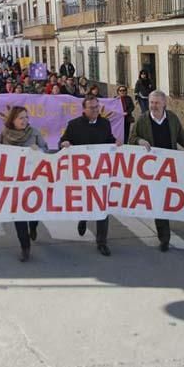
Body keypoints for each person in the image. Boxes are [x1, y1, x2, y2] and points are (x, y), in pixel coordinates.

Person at [129, 90, 184, 251]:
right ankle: (164, 238)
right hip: (151, 169)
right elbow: (131, 138)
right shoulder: (143, 119)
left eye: (157, 103)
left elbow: (181, 136)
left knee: (167, 200)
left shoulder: (172, 118)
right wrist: (140, 141)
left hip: (169, 168)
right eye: (151, 103)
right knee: (159, 201)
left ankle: (165, 228)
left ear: (164, 103)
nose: (153, 106)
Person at [59, 95, 122, 256]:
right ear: (84, 109)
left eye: (97, 107)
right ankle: (83, 219)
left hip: (101, 172)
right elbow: (63, 141)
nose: (95, 110)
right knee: (86, 202)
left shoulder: (105, 123)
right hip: (82, 173)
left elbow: (110, 140)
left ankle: (102, 242)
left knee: (102, 205)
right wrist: (64, 144)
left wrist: (116, 143)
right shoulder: (74, 125)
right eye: (92, 108)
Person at [0, 107, 48, 262]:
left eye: (26, 117)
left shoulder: (34, 132)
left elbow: (46, 149)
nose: (24, 121)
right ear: (12, 120)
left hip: (33, 181)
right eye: (20, 118)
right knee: (19, 215)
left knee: (33, 212)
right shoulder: (5, 134)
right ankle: (25, 247)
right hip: (14, 182)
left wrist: (39, 150)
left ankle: (34, 226)